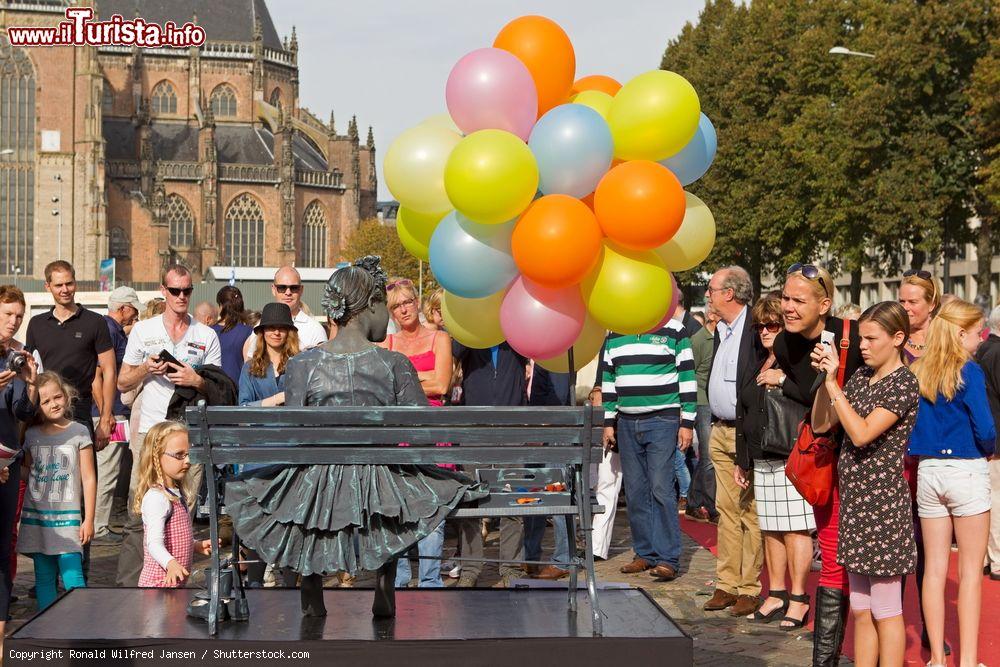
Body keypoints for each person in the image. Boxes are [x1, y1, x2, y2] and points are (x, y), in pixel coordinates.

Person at [225, 256, 484, 618]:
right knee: (392, 483)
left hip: (316, 483)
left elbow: (298, 434)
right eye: (383, 304)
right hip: (381, 482)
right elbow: (423, 429)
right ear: (369, 306)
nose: (389, 316)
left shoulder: (303, 364)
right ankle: (384, 581)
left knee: (308, 481)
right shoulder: (394, 364)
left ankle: (312, 582)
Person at [810, 302, 919, 666]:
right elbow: (823, 424)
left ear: (898, 338)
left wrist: (834, 386)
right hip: (856, 505)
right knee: (860, 608)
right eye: (861, 338)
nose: (863, 346)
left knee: (886, 609)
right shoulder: (860, 377)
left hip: (884, 508)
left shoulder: (903, 383)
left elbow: (860, 434)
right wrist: (826, 384)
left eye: (872, 338)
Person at [773, 263, 863, 666]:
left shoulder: (856, 336)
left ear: (824, 304)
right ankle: (825, 659)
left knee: (876, 562)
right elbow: (811, 402)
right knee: (831, 552)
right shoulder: (784, 346)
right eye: (785, 298)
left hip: (871, 460)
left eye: (798, 300)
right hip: (829, 460)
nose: (787, 308)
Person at [115, 264, 222, 587]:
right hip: (151, 434)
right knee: (139, 514)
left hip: (188, 434)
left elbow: (219, 387)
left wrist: (196, 379)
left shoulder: (206, 335)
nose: (181, 297)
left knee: (183, 514)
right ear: (163, 291)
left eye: (187, 291)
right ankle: (130, 585)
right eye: (175, 291)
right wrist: (146, 369)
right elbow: (122, 382)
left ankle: (176, 582)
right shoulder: (144, 331)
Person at [909, 299, 995, 667]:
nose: (981, 339)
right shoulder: (969, 372)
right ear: (961, 333)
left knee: (934, 570)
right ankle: (969, 660)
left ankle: (937, 662)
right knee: (971, 573)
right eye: (978, 333)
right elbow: (986, 427)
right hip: (966, 468)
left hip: (929, 470)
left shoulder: (919, 370)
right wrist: (990, 449)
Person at [737, 294, 815, 628]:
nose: (766, 331)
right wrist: (743, 459)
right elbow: (745, 411)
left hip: (791, 455)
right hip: (762, 456)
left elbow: (815, 394)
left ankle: (799, 597)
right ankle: (777, 592)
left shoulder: (798, 360)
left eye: (772, 325)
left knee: (796, 529)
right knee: (770, 528)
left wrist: (782, 379)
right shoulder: (758, 361)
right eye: (760, 326)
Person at [601, 312, 696, 583]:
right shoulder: (615, 331)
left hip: (663, 419)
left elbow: (687, 377)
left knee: (661, 487)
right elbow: (609, 379)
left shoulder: (675, 330)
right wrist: (609, 422)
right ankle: (645, 552)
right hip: (627, 421)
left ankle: (668, 558)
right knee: (635, 489)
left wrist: (687, 422)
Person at [378, 278, 454, 588]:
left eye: (407, 302)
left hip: (431, 431)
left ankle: (430, 581)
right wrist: (423, 377)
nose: (403, 309)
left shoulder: (440, 338)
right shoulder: (389, 344)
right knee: (399, 509)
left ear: (416, 302)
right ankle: (401, 579)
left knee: (431, 510)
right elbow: (383, 387)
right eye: (396, 306)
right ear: (391, 313)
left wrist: (405, 377)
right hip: (399, 432)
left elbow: (442, 385)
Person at [702, 266, 766, 618]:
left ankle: (748, 587)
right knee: (725, 511)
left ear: (729, 293)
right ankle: (726, 583)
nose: (707, 295)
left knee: (750, 512)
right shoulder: (720, 330)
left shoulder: (756, 328)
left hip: (745, 432)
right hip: (720, 429)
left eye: (711, 289)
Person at [452, 339, 530, 588]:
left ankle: (510, 567)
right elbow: (454, 352)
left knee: (513, 502)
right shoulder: (470, 330)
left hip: (512, 425)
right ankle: (471, 568)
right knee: (471, 502)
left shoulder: (516, 330)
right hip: (474, 425)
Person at [896, 268, 947, 654]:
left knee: (931, 551)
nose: (906, 307)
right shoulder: (893, 342)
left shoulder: (945, 345)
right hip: (896, 459)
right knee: (895, 547)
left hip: (930, 457)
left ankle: (933, 627)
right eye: (902, 300)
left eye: (913, 301)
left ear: (931, 305)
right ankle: (891, 629)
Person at [18, 372, 95, 610]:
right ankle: (47, 631)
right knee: (44, 578)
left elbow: (89, 478)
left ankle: (79, 629)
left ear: (67, 395)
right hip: (37, 520)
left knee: (73, 577)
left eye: (57, 397)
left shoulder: (79, 432)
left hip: (69, 520)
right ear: (37, 407)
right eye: (46, 401)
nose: (54, 404)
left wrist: (89, 519)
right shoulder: (31, 435)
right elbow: (27, 472)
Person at [90, 286, 141, 546]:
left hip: (110, 412)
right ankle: (99, 525)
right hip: (112, 415)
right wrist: (105, 413)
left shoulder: (109, 327)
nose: (134, 317)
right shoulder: (109, 330)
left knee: (105, 470)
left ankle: (99, 522)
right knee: (107, 471)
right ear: (124, 308)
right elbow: (98, 375)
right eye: (133, 311)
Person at [0, 286, 36, 645]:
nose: (14, 322)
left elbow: (24, 413)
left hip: (7, 463)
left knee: (4, 544)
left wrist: (32, 382)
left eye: (18, 316)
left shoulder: (16, 357)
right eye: (8, 314)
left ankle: (2, 626)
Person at [135, 421, 212, 588]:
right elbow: (153, 543)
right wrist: (170, 563)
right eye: (179, 455)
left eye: (189, 453)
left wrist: (195, 544)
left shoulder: (175, 493)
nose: (188, 460)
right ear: (156, 457)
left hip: (174, 586)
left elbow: (173, 535)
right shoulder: (157, 498)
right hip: (157, 586)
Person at [244, 266, 326, 359]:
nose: (288, 292)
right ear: (273, 289)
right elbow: (251, 362)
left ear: (301, 290)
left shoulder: (315, 330)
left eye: (294, 288)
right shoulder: (262, 325)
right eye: (282, 287)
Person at [686, 306, 719, 524]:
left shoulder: (723, 338)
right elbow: (690, 371)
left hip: (715, 400)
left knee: (710, 457)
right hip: (702, 402)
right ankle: (712, 506)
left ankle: (692, 501)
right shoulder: (698, 340)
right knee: (708, 457)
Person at [977, 305, 1000, 582]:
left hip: (989, 436)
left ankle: (987, 556)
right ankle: (997, 558)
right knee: (995, 498)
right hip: (995, 439)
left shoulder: (985, 350)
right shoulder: (996, 352)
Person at [212, 286, 253, 385]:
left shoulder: (209, 331)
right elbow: (250, 368)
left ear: (221, 306)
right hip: (238, 389)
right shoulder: (248, 332)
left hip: (212, 388)